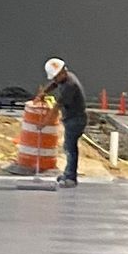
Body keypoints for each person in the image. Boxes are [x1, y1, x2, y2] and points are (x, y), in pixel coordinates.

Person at [42, 56, 86, 186]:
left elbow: (57, 106)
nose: (55, 79)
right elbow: (55, 84)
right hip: (72, 118)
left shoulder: (70, 86)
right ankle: (68, 174)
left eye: (55, 77)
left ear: (61, 73)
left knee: (70, 148)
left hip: (76, 120)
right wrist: (44, 93)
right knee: (68, 147)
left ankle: (71, 178)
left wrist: (44, 123)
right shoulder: (64, 77)